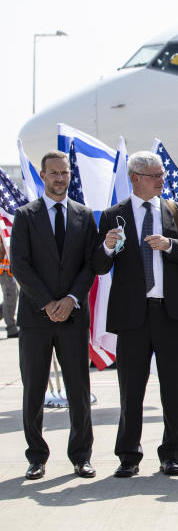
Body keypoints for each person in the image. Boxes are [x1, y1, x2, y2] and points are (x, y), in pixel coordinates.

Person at [92, 151, 178, 478]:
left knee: (173, 389)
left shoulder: (176, 212)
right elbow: (98, 265)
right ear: (135, 178)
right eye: (155, 175)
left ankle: (171, 455)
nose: (161, 180)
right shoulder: (114, 215)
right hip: (132, 317)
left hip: (170, 314)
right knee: (131, 391)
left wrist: (169, 245)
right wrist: (108, 246)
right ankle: (128, 456)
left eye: (162, 175)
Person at [9, 151, 98, 480]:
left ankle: (81, 455)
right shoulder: (25, 215)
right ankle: (36, 456)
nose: (60, 179)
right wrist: (48, 302)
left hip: (73, 317)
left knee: (78, 389)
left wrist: (71, 299)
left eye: (65, 173)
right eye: (54, 173)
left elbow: (90, 264)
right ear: (43, 176)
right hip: (35, 317)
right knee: (33, 390)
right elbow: (20, 264)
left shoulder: (84, 215)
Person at [1, 239, 19, 338]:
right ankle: (11, 329)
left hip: (8, 268)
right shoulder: (2, 225)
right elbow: (2, 249)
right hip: (4, 269)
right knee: (10, 296)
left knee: (12, 297)